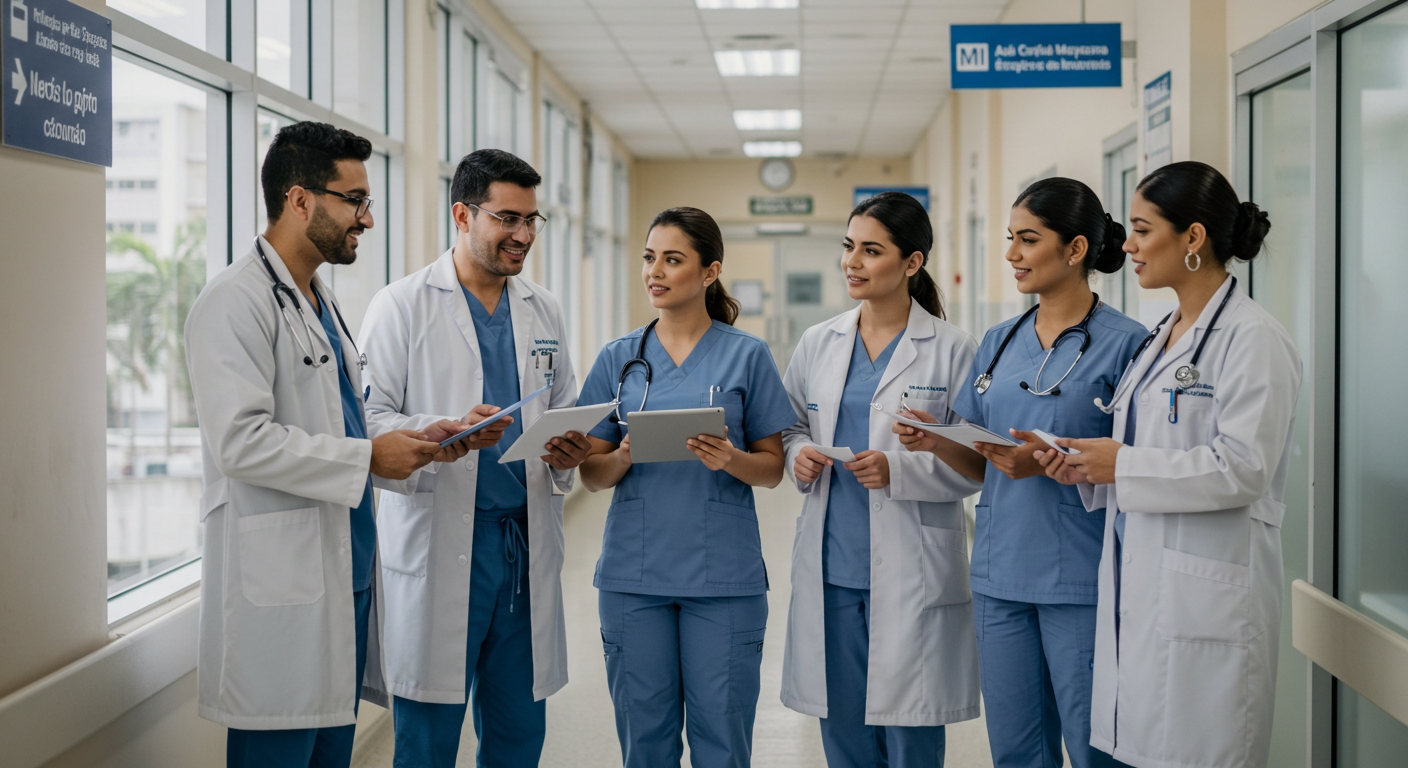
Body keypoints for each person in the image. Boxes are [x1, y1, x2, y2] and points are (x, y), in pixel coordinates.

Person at [185, 121, 474, 767]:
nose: (366, 219)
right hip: (282, 585)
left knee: (328, 754)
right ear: (299, 200)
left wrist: (415, 434)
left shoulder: (319, 299)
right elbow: (240, 443)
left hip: (345, 575)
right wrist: (370, 457)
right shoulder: (233, 302)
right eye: (355, 200)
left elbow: (340, 421)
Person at [1037, 161, 1300, 768]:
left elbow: (1244, 468)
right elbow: (1145, 452)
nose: (1125, 244)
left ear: (1193, 238)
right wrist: (1086, 468)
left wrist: (1123, 465)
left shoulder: (1253, 338)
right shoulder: (1164, 335)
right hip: (1145, 586)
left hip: (1207, 599)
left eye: (1141, 228)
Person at [899, 178, 1144, 768]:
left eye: (1027, 239)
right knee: (1015, 751)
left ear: (1076, 248)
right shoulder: (998, 342)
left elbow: (1139, 464)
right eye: (1011, 238)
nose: (1011, 253)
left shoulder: (1128, 345)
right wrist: (936, 439)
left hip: (1082, 579)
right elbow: (981, 462)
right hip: (1000, 576)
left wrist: (1057, 462)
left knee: (1095, 750)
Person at [358, 149, 590, 768]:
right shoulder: (401, 305)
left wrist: (569, 446)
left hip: (522, 545)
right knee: (428, 742)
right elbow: (368, 422)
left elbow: (563, 404)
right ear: (462, 214)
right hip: (440, 544)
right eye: (507, 218)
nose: (523, 235)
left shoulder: (544, 309)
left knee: (518, 736)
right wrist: (441, 431)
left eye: (532, 220)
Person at [576, 207, 798, 768]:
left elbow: (772, 467)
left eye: (673, 259)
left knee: (722, 741)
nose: (656, 271)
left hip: (723, 576)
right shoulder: (618, 358)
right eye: (650, 258)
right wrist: (623, 454)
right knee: (645, 744)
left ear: (708, 272)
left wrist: (730, 458)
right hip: (635, 574)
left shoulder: (747, 355)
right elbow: (590, 473)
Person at [779, 191, 984, 768]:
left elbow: (977, 463)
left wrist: (901, 468)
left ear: (912, 263)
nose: (853, 261)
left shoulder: (952, 349)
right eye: (848, 247)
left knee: (911, 733)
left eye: (871, 250)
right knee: (842, 729)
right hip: (834, 565)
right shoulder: (819, 342)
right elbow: (791, 425)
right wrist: (799, 454)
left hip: (914, 563)